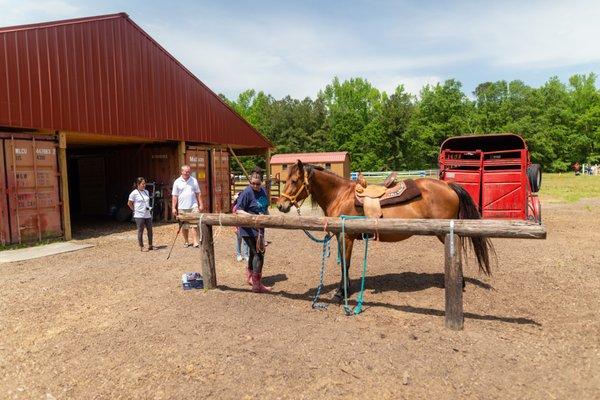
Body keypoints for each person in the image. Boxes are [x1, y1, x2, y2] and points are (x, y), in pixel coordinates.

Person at [235, 168, 271, 293]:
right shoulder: (247, 192)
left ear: (261, 182)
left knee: (252, 253)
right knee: (259, 254)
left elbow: (265, 208)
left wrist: (268, 218)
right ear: (250, 181)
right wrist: (252, 218)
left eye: (257, 183)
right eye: (253, 183)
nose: (255, 186)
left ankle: (250, 277)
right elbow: (238, 210)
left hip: (260, 229)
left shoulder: (263, 191)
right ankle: (257, 284)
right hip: (248, 229)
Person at [172, 165, 204, 247]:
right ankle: (186, 241)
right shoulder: (177, 182)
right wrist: (173, 207)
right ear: (182, 171)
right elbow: (175, 196)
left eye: (189, 171)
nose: (187, 173)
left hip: (193, 206)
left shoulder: (194, 180)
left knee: (194, 224)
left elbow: (198, 193)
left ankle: (195, 241)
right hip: (182, 207)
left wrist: (201, 204)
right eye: (186, 171)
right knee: (184, 226)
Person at [128, 177, 154, 251]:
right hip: (139, 215)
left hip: (147, 214)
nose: (144, 185)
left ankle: (150, 245)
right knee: (140, 230)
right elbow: (129, 203)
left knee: (150, 230)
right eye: (142, 184)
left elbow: (146, 202)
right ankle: (141, 246)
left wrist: (149, 207)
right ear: (138, 184)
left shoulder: (146, 191)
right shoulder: (134, 193)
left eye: (144, 183)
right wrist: (134, 210)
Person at [232, 191, 249, 262]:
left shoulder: (246, 207)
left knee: (246, 241)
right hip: (239, 227)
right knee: (239, 241)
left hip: (246, 227)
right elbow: (234, 219)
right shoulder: (235, 208)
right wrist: (235, 227)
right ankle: (238, 254)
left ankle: (246, 255)